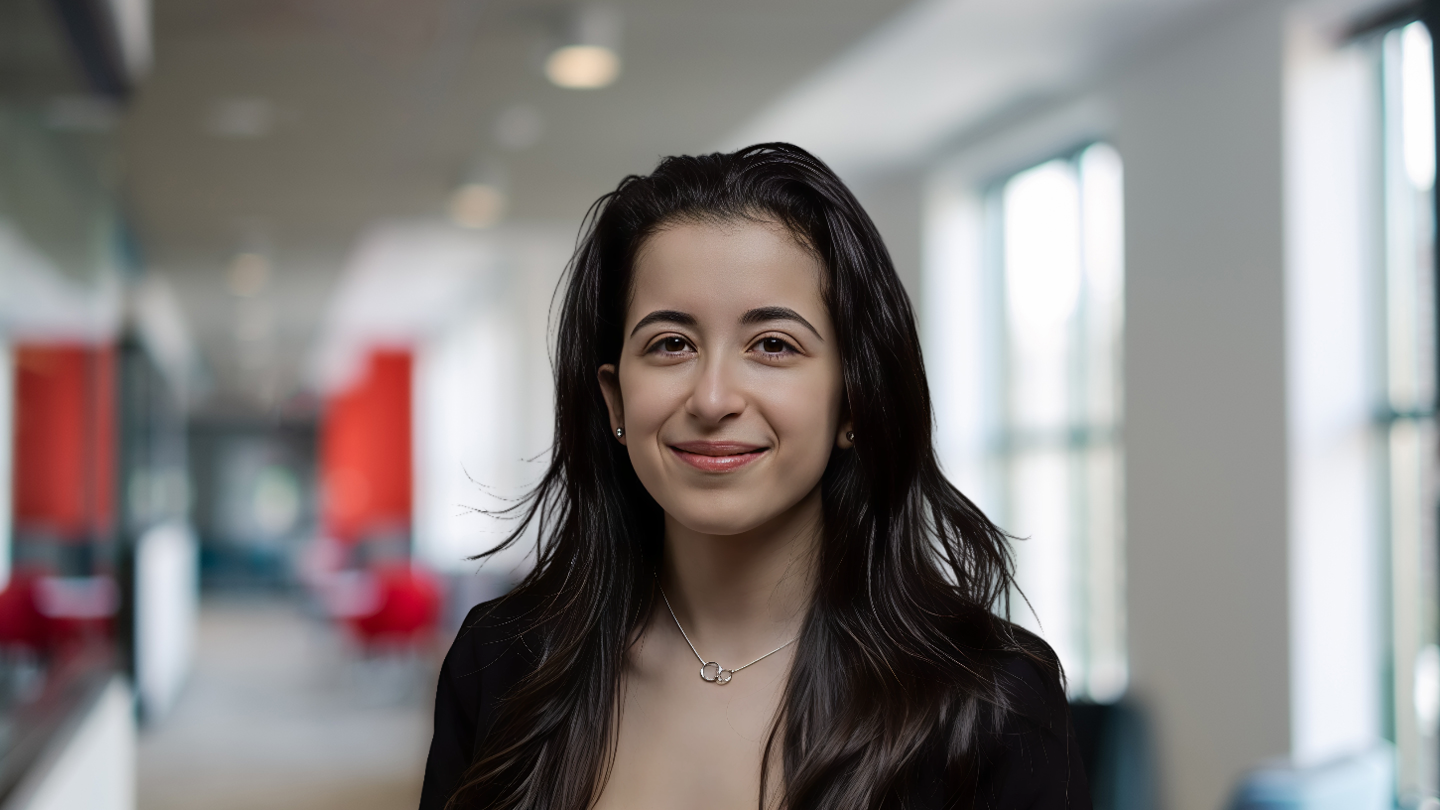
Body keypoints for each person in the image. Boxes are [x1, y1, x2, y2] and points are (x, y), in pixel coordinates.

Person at [419, 143, 1089, 810]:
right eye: (671, 344)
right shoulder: (501, 662)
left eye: (773, 345)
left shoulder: (991, 701)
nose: (713, 399)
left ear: (853, 400)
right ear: (616, 400)